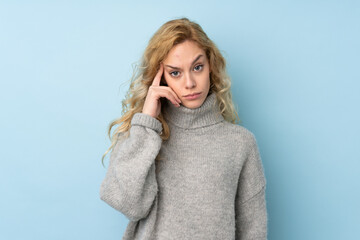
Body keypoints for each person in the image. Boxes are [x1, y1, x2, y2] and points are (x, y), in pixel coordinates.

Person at [99, 17, 267, 240]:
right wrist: (147, 122)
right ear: (161, 78)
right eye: (175, 73)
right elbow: (129, 205)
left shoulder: (240, 143)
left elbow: (252, 230)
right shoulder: (141, 136)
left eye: (197, 67)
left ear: (211, 67)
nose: (189, 83)